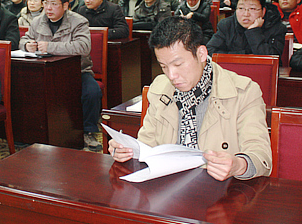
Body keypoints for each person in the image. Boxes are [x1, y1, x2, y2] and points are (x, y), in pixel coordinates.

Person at [109, 16, 272, 181]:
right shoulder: (160, 89)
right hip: (168, 184)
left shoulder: (244, 92)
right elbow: (146, 145)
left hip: (222, 188)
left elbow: (260, 155)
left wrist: (239, 165)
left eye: (178, 64)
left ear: (201, 54)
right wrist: (128, 151)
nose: (171, 75)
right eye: (164, 66)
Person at [19, 0, 102, 151]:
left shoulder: (78, 21)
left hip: (77, 72)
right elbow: (23, 40)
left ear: (65, 5)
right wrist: (27, 45)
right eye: (46, 3)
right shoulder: (37, 21)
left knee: (92, 92)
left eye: (54, 4)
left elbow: (83, 47)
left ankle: (88, 131)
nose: (48, 8)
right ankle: (32, 134)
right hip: (46, 73)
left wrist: (50, 47)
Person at [207, 0, 286, 56]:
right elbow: (211, 51)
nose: (246, 14)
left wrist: (254, 31)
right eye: (241, 8)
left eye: (252, 9)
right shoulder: (226, 25)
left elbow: (272, 58)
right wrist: (245, 55)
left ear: (263, 11)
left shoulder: (276, 28)